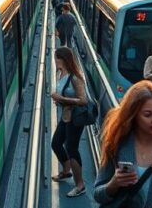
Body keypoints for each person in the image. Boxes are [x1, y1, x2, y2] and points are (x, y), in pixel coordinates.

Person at [50, 46, 88, 197]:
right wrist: (58, 100)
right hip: (66, 116)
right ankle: (66, 171)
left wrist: (62, 99)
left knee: (72, 149)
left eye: (56, 58)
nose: (55, 61)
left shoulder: (75, 78)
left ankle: (80, 185)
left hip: (75, 119)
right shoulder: (61, 74)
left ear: (63, 60)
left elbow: (84, 100)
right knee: (56, 143)